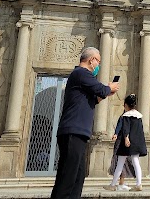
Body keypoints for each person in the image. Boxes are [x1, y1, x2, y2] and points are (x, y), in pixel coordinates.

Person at [50, 47, 119, 199]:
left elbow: (95, 99)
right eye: (98, 62)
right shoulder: (81, 73)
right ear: (91, 60)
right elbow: (100, 89)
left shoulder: (82, 78)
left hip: (78, 133)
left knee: (77, 176)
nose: (98, 65)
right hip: (72, 131)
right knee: (68, 177)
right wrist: (109, 87)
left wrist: (107, 92)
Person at [105, 94, 147, 192]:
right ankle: (139, 183)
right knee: (136, 162)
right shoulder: (139, 116)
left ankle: (112, 184)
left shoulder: (126, 116)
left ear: (126, 105)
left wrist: (126, 138)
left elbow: (125, 128)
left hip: (127, 143)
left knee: (120, 162)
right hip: (136, 142)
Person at [108, 104, 136, 191]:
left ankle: (120, 183)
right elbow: (119, 126)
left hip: (125, 142)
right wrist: (116, 134)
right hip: (122, 142)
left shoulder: (129, 117)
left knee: (123, 163)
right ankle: (120, 183)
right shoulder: (124, 117)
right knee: (122, 163)